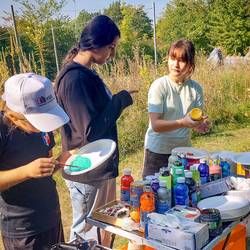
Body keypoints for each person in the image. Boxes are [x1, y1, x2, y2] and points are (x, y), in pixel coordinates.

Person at [55, 15, 135, 245]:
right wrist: (120, 100)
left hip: (97, 168)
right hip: (87, 171)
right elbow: (89, 134)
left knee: (99, 230)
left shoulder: (85, 74)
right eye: (111, 47)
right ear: (96, 43)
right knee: (86, 234)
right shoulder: (75, 80)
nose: (112, 53)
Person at [0, 73, 69, 250]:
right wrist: (26, 171)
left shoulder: (43, 126)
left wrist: (58, 162)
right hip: (23, 228)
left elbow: (44, 168)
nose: (42, 127)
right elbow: (30, 171)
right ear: (15, 116)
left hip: (51, 214)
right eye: (37, 122)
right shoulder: (3, 130)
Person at [143, 38, 210, 178]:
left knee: (182, 194)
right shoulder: (159, 86)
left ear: (190, 64)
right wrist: (183, 123)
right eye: (172, 58)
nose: (176, 64)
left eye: (182, 60)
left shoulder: (196, 89)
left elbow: (193, 122)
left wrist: (200, 125)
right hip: (158, 152)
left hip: (183, 153)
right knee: (155, 195)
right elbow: (156, 125)